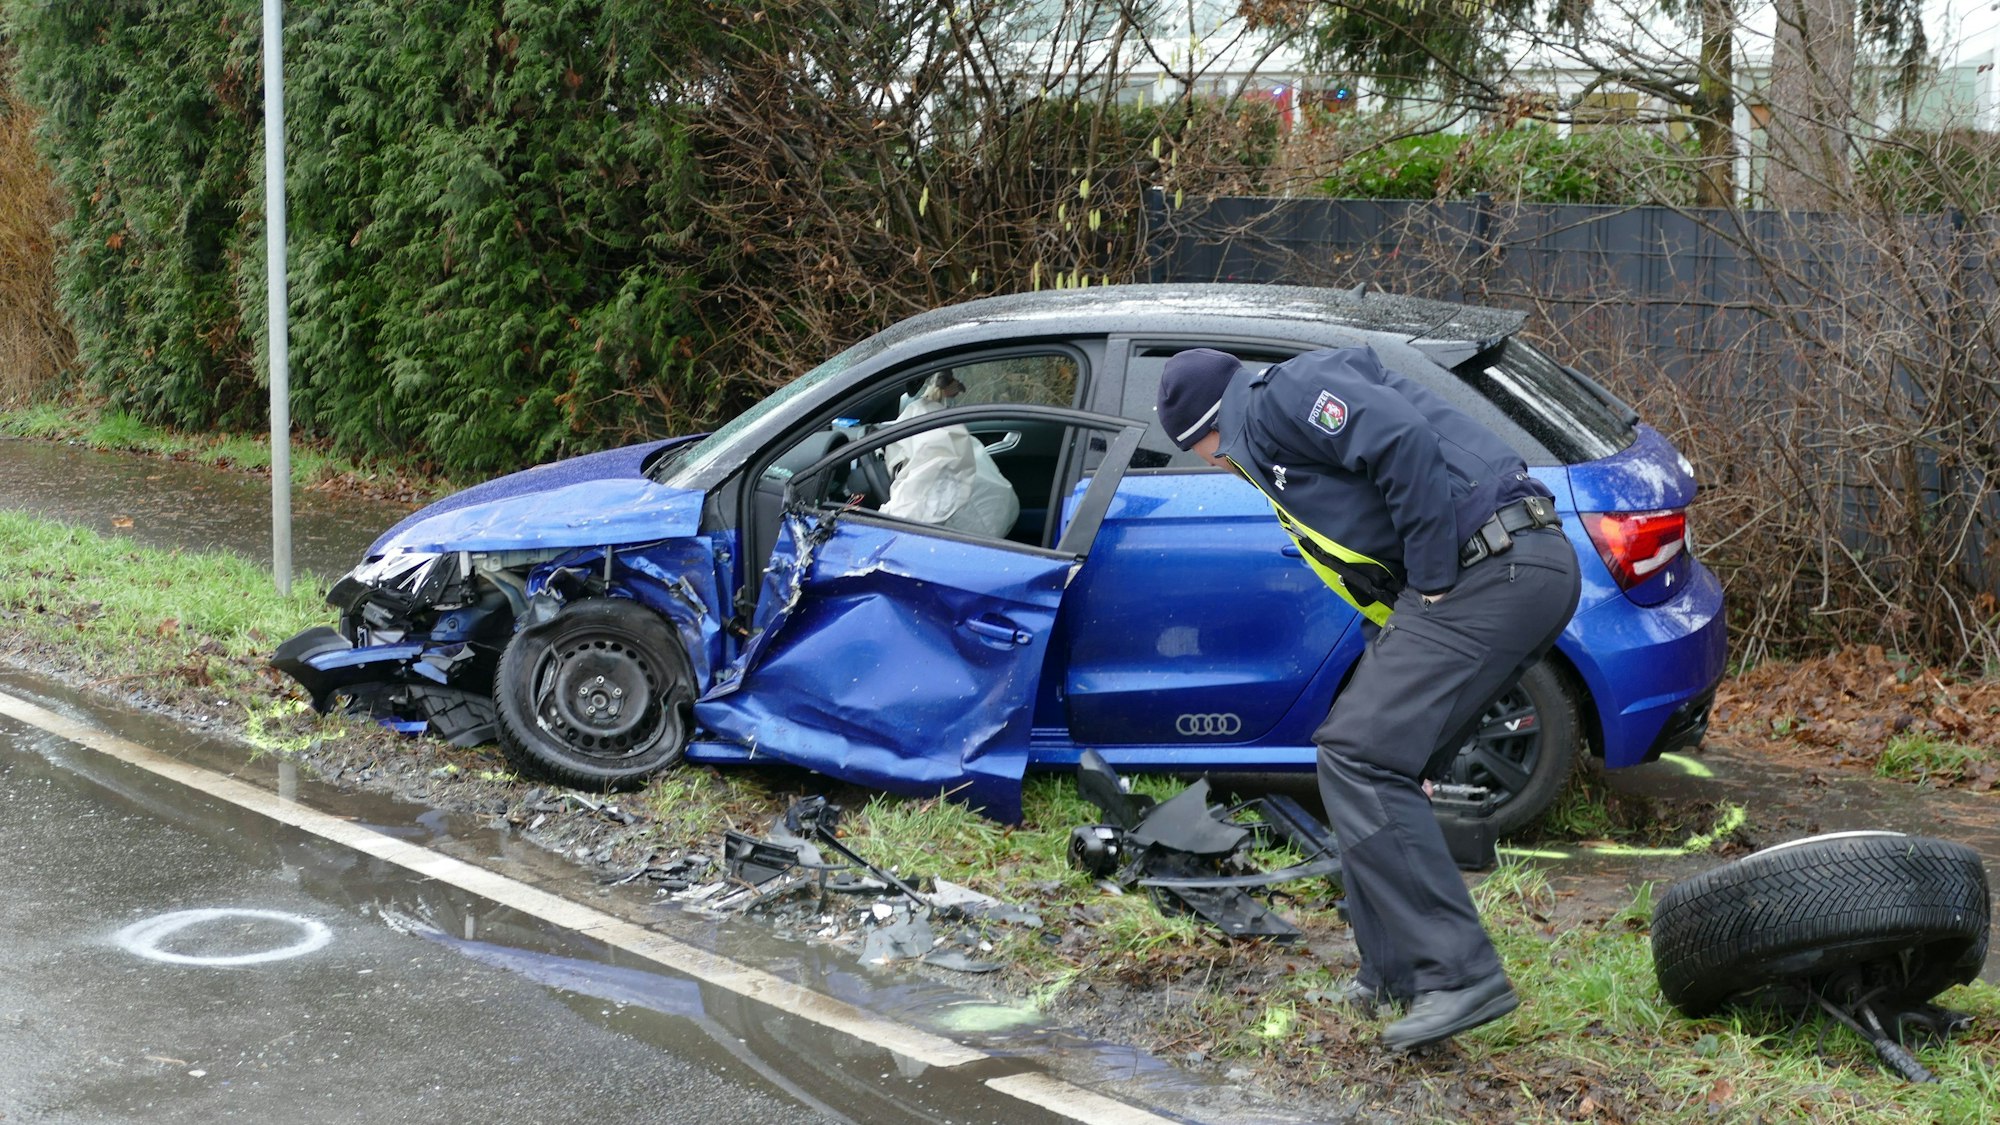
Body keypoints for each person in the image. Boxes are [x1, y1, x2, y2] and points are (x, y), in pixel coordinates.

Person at [1155, 345, 1582, 1051]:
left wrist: (1435, 576)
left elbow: (1399, 438)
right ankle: (1392, 974)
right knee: (1359, 754)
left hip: (1493, 566)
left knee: (1358, 754)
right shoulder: (1267, 440)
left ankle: (1459, 974)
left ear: (1210, 424)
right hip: (1503, 571)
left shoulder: (1284, 395)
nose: (1209, 463)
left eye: (1200, 448)